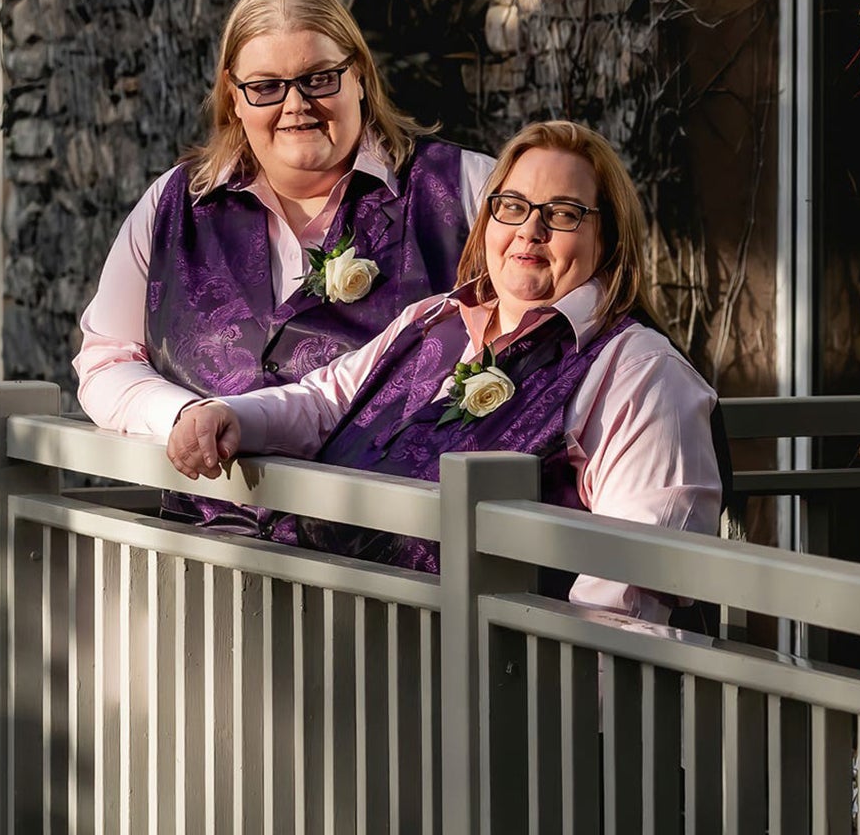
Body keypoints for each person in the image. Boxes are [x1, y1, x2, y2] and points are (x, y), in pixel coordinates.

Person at [165, 120, 725, 618]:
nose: (531, 230)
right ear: (488, 221)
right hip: (347, 667)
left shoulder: (640, 372)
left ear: (608, 239)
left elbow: (625, 591)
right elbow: (325, 403)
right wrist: (231, 415)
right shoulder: (433, 319)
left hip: (494, 698)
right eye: (512, 206)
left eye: (563, 213)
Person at [74, 0, 494, 441]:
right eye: (266, 86)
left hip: (390, 512)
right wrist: (185, 415)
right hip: (203, 513)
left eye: (319, 78)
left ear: (358, 77)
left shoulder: (468, 189)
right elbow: (107, 360)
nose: (296, 104)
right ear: (234, 97)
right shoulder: (173, 204)